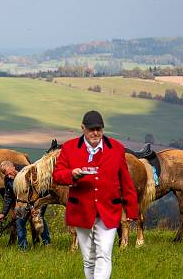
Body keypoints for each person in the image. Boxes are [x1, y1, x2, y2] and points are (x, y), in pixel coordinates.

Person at [53, 111, 138, 278]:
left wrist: (131, 210)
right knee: (89, 259)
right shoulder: (69, 148)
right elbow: (57, 175)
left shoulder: (117, 148)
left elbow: (126, 181)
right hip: (81, 210)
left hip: (109, 209)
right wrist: (72, 174)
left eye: (99, 129)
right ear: (83, 128)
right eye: (91, 129)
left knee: (104, 254)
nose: (95, 133)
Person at [0, 161, 51, 250]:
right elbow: (8, 196)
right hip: (22, 203)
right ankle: (23, 248)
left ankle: (47, 244)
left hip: (38, 200)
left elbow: (40, 190)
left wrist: (34, 207)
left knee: (39, 218)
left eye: (9, 173)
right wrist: (3, 213)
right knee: (19, 222)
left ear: (13, 167)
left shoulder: (28, 172)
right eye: (6, 175)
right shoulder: (8, 179)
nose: (9, 176)